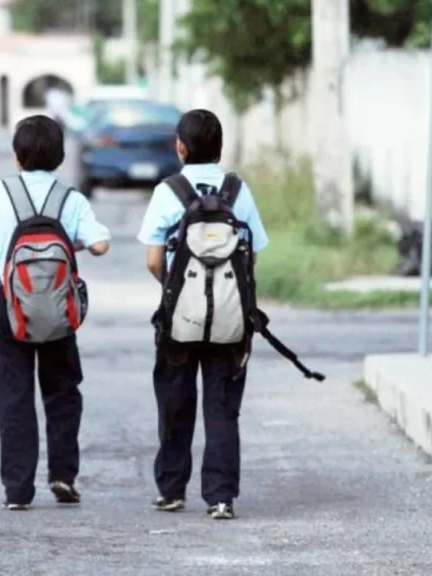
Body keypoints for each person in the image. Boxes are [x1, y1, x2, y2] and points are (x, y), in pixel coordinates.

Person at [0, 115, 111, 511]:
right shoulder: (70, 199)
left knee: (14, 396)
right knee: (63, 392)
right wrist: (69, 246)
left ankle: (18, 491)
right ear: (59, 157)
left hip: (7, 304)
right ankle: (63, 475)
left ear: (16, 157)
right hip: (57, 307)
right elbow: (101, 244)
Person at [136, 109, 269, 519]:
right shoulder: (237, 191)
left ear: (180, 148)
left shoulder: (167, 191)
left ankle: (172, 490)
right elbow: (252, 254)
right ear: (220, 148)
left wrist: (178, 293)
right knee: (222, 406)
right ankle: (220, 497)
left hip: (180, 319)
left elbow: (154, 259)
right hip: (230, 322)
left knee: (175, 402)